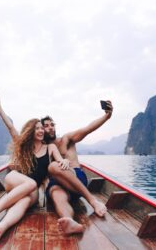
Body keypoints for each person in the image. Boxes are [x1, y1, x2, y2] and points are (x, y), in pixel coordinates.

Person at [0, 95, 69, 241]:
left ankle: (1, 226)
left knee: (24, 201)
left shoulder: (51, 147)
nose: (41, 130)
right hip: (15, 180)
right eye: (37, 128)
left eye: (42, 128)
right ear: (31, 131)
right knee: (30, 183)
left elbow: (61, 161)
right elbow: (10, 127)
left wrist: (65, 161)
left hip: (32, 190)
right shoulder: (25, 146)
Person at [41, 100, 113, 234]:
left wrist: (106, 116)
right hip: (57, 184)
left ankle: (92, 201)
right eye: (46, 126)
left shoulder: (66, 139)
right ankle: (69, 221)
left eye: (52, 125)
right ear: (41, 129)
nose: (50, 127)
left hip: (76, 178)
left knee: (53, 167)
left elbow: (87, 129)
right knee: (57, 195)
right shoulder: (42, 148)